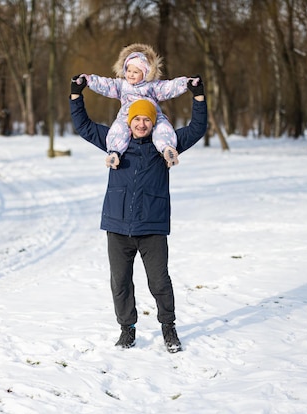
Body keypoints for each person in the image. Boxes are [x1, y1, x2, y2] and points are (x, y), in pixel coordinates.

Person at [69, 71, 208, 353]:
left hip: (152, 227)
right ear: (128, 122)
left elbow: (197, 128)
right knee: (120, 283)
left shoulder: (165, 147)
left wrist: (199, 97)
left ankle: (168, 327)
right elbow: (83, 126)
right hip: (118, 226)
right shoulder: (114, 143)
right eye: (136, 119)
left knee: (159, 282)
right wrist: (75, 94)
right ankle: (127, 330)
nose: (141, 124)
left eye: (146, 119)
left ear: (153, 122)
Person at [75, 43, 195, 169]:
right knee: (118, 129)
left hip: (151, 114)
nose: (131, 74)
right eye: (128, 70)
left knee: (162, 127)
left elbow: (169, 87)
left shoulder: (152, 86)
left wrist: (186, 83)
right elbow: (106, 84)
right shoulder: (122, 85)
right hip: (128, 115)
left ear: (145, 73)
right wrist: (89, 80)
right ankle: (114, 153)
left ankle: (167, 149)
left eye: (136, 72)